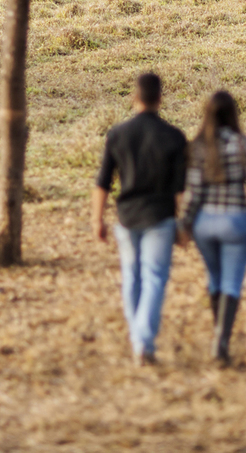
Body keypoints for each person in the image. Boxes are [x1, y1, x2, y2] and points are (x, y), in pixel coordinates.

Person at [92, 72, 187, 365]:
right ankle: (143, 342)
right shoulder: (175, 137)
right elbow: (180, 190)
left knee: (131, 278)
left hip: (127, 217)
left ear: (135, 97)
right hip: (160, 217)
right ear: (160, 98)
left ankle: (138, 339)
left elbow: (103, 182)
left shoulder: (117, 134)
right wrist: (182, 223)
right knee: (154, 278)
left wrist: (97, 219)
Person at [179, 90, 246, 364]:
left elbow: (193, 192)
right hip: (236, 220)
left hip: (205, 223)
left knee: (214, 278)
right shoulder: (242, 143)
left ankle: (218, 331)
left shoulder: (198, 146)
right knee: (232, 282)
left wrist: (183, 225)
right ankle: (221, 340)